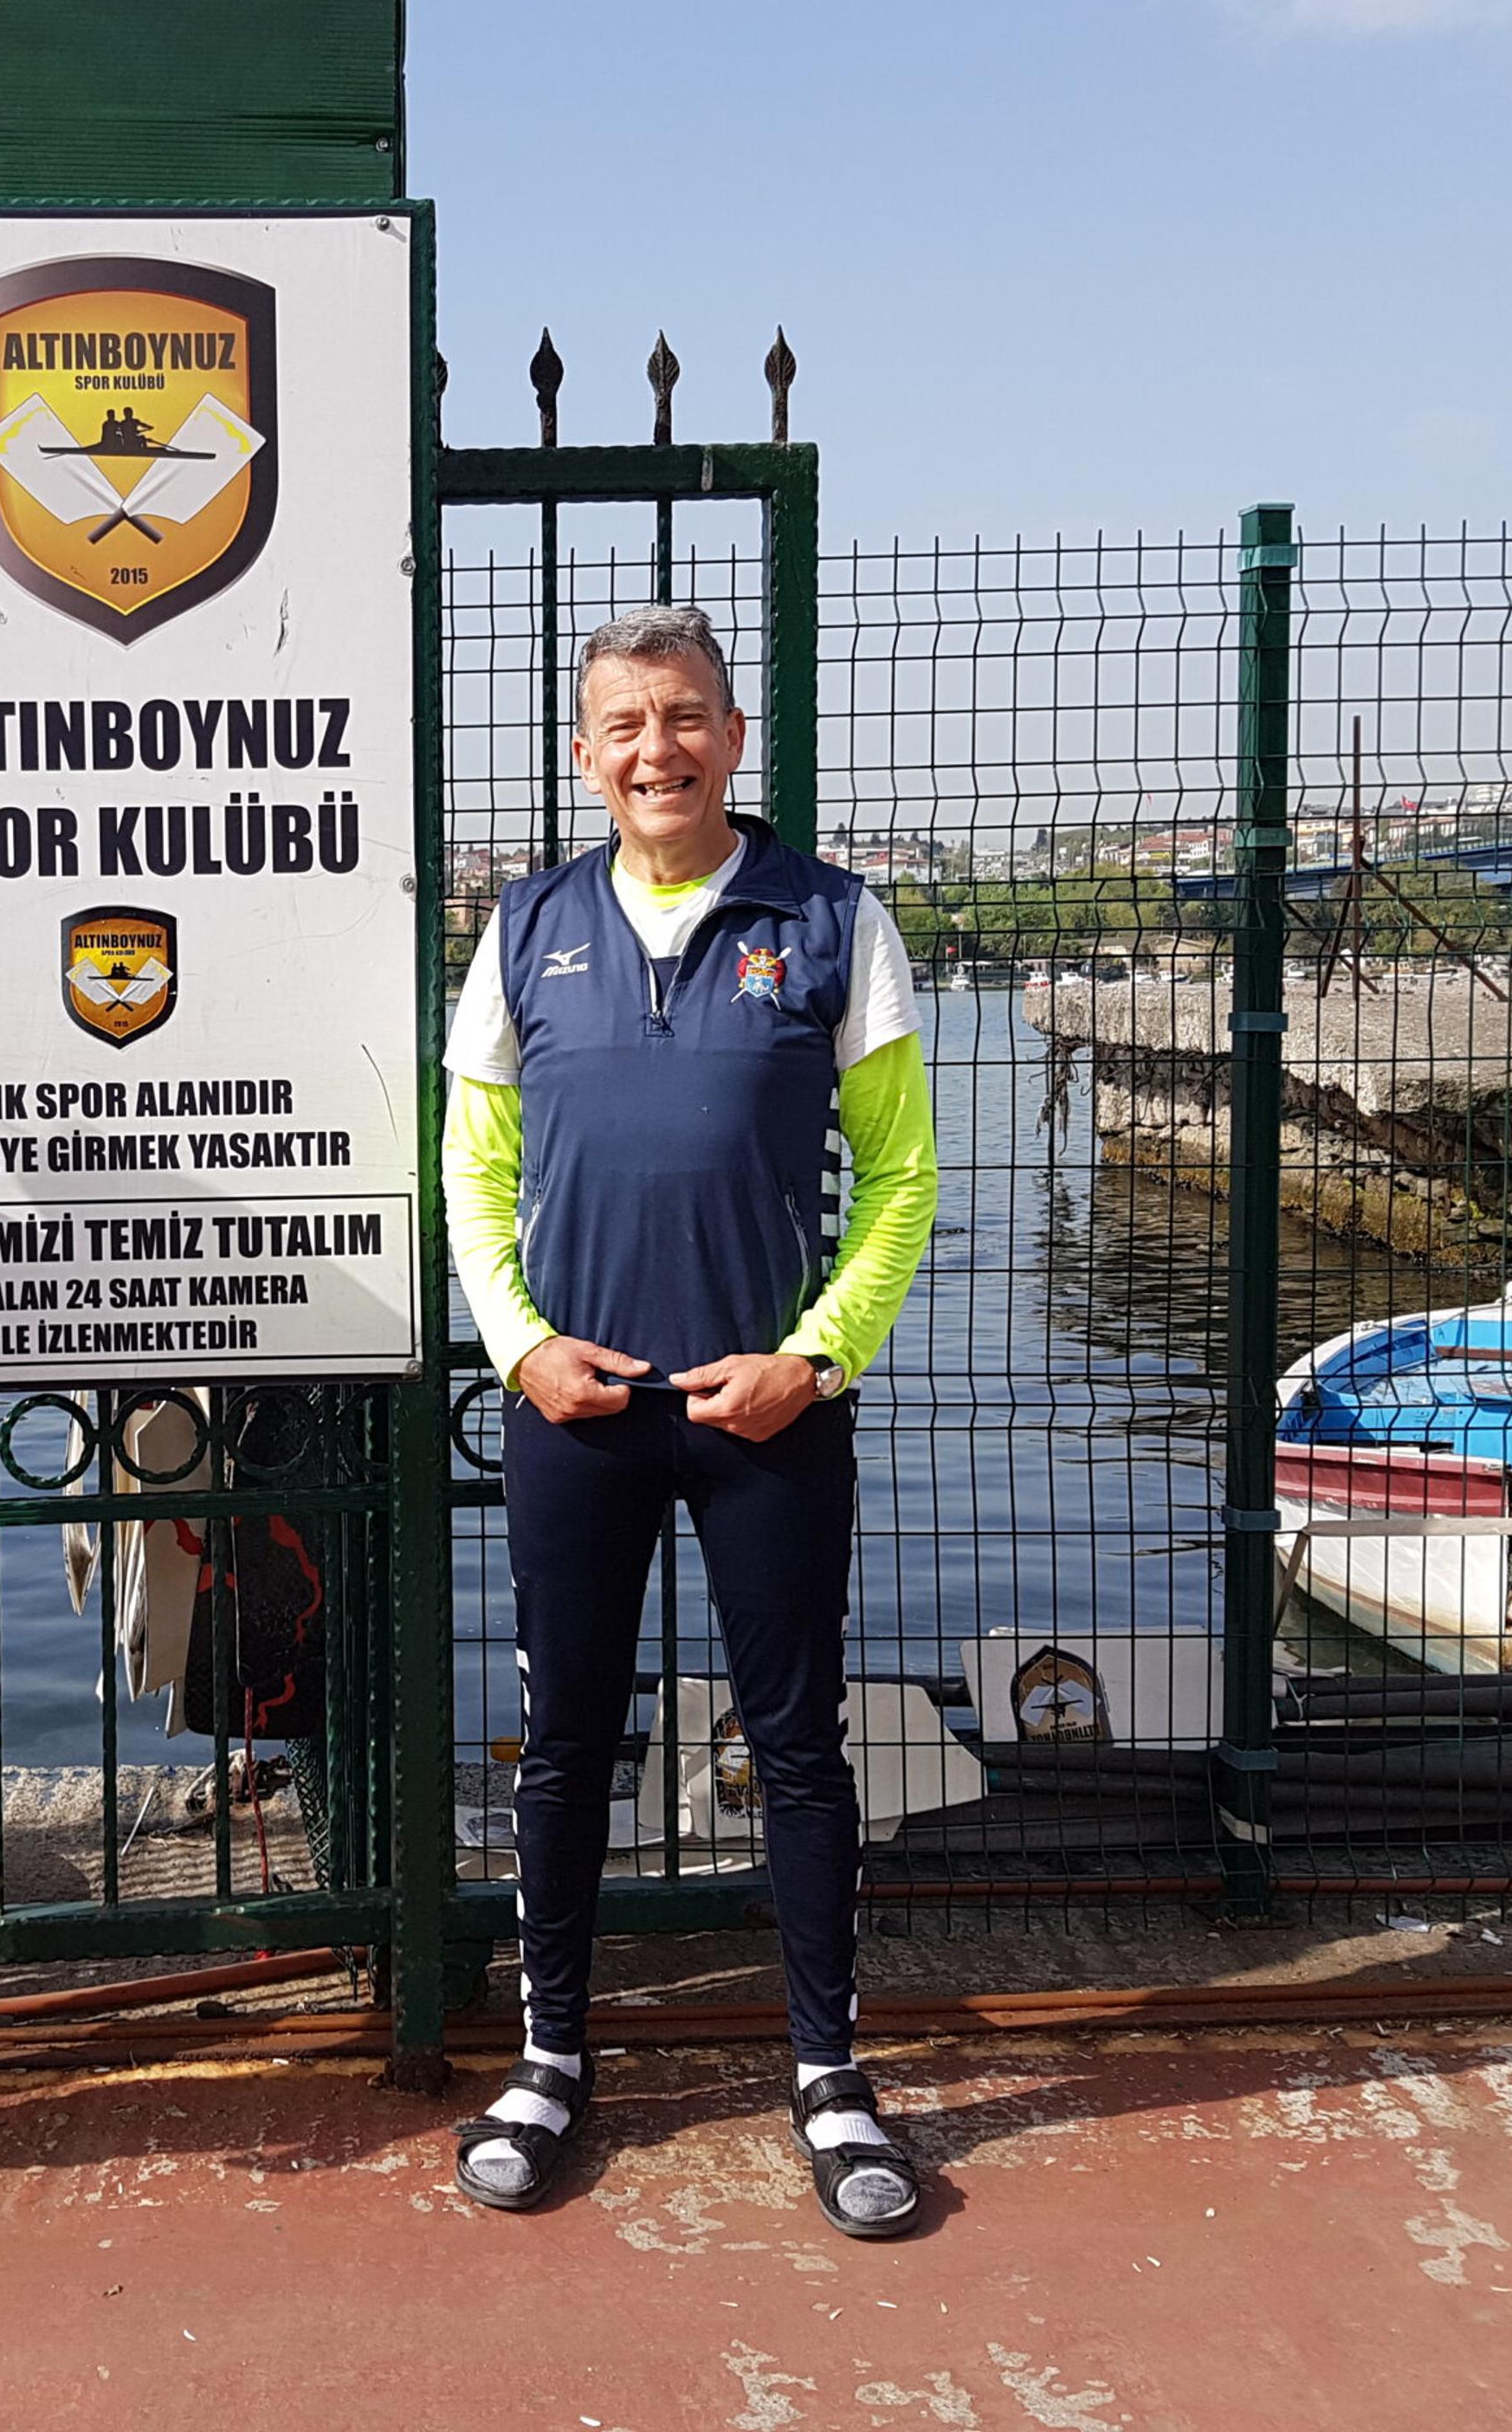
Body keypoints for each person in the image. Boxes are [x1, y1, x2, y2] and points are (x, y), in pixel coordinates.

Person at [440, 605, 940, 2236]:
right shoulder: (523, 929)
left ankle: (828, 2073)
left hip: (765, 1413)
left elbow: (902, 1181)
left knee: (798, 1747)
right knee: (567, 1742)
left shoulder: (838, 921)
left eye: (686, 718)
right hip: (576, 1409)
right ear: (585, 756)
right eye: (624, 726)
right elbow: (473, 1175)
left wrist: (816, 1358)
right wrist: (518, 1349)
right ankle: (551, 2053)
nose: (657, 750)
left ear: (736, 735)